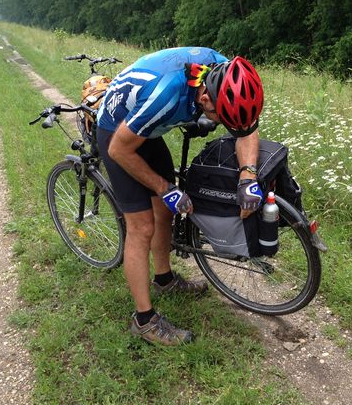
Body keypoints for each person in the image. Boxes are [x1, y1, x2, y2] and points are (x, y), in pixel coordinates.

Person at [96, 47, 265, 346]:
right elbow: (119, 150)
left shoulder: (226, 75)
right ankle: (144, 321)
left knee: (164, 211)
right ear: (204, 99)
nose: (222, 124)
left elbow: (245, 130)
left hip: (146, 126)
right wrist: (165, 187)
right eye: (219, 117)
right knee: (142, 226)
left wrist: (248, 176)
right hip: (117, 134)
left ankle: (165, 280)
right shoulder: (166, 95)